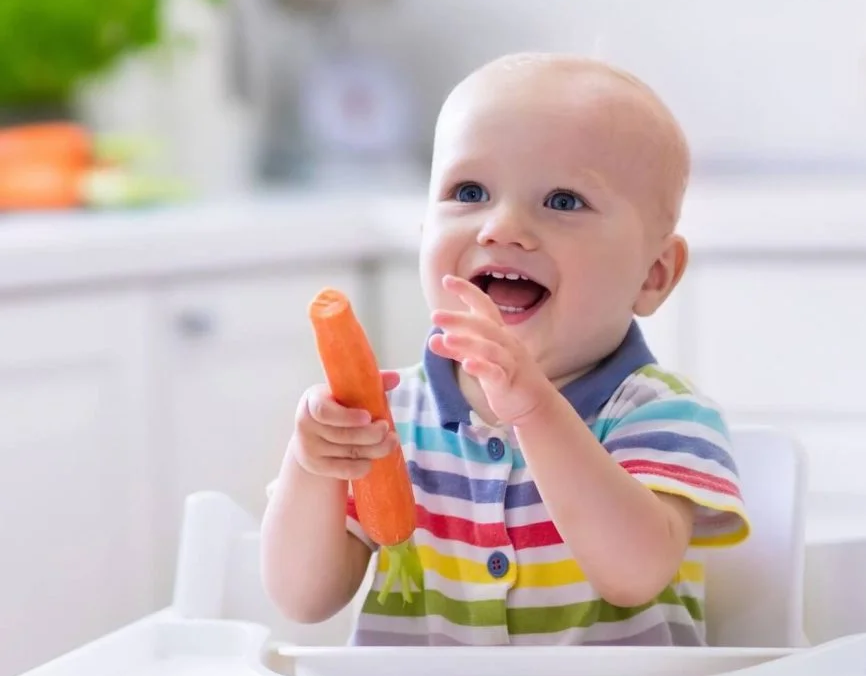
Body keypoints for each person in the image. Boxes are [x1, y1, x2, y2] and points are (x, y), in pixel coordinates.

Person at [260, 51, 750, 646]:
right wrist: (313, 467)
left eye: (563, 201)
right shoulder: (388, 417)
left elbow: (634, 573)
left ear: (653, 275)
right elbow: (302, 599)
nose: (502, 227)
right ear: (424, 236)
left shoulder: (661, 415)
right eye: (470, 191)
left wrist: (535, 410)